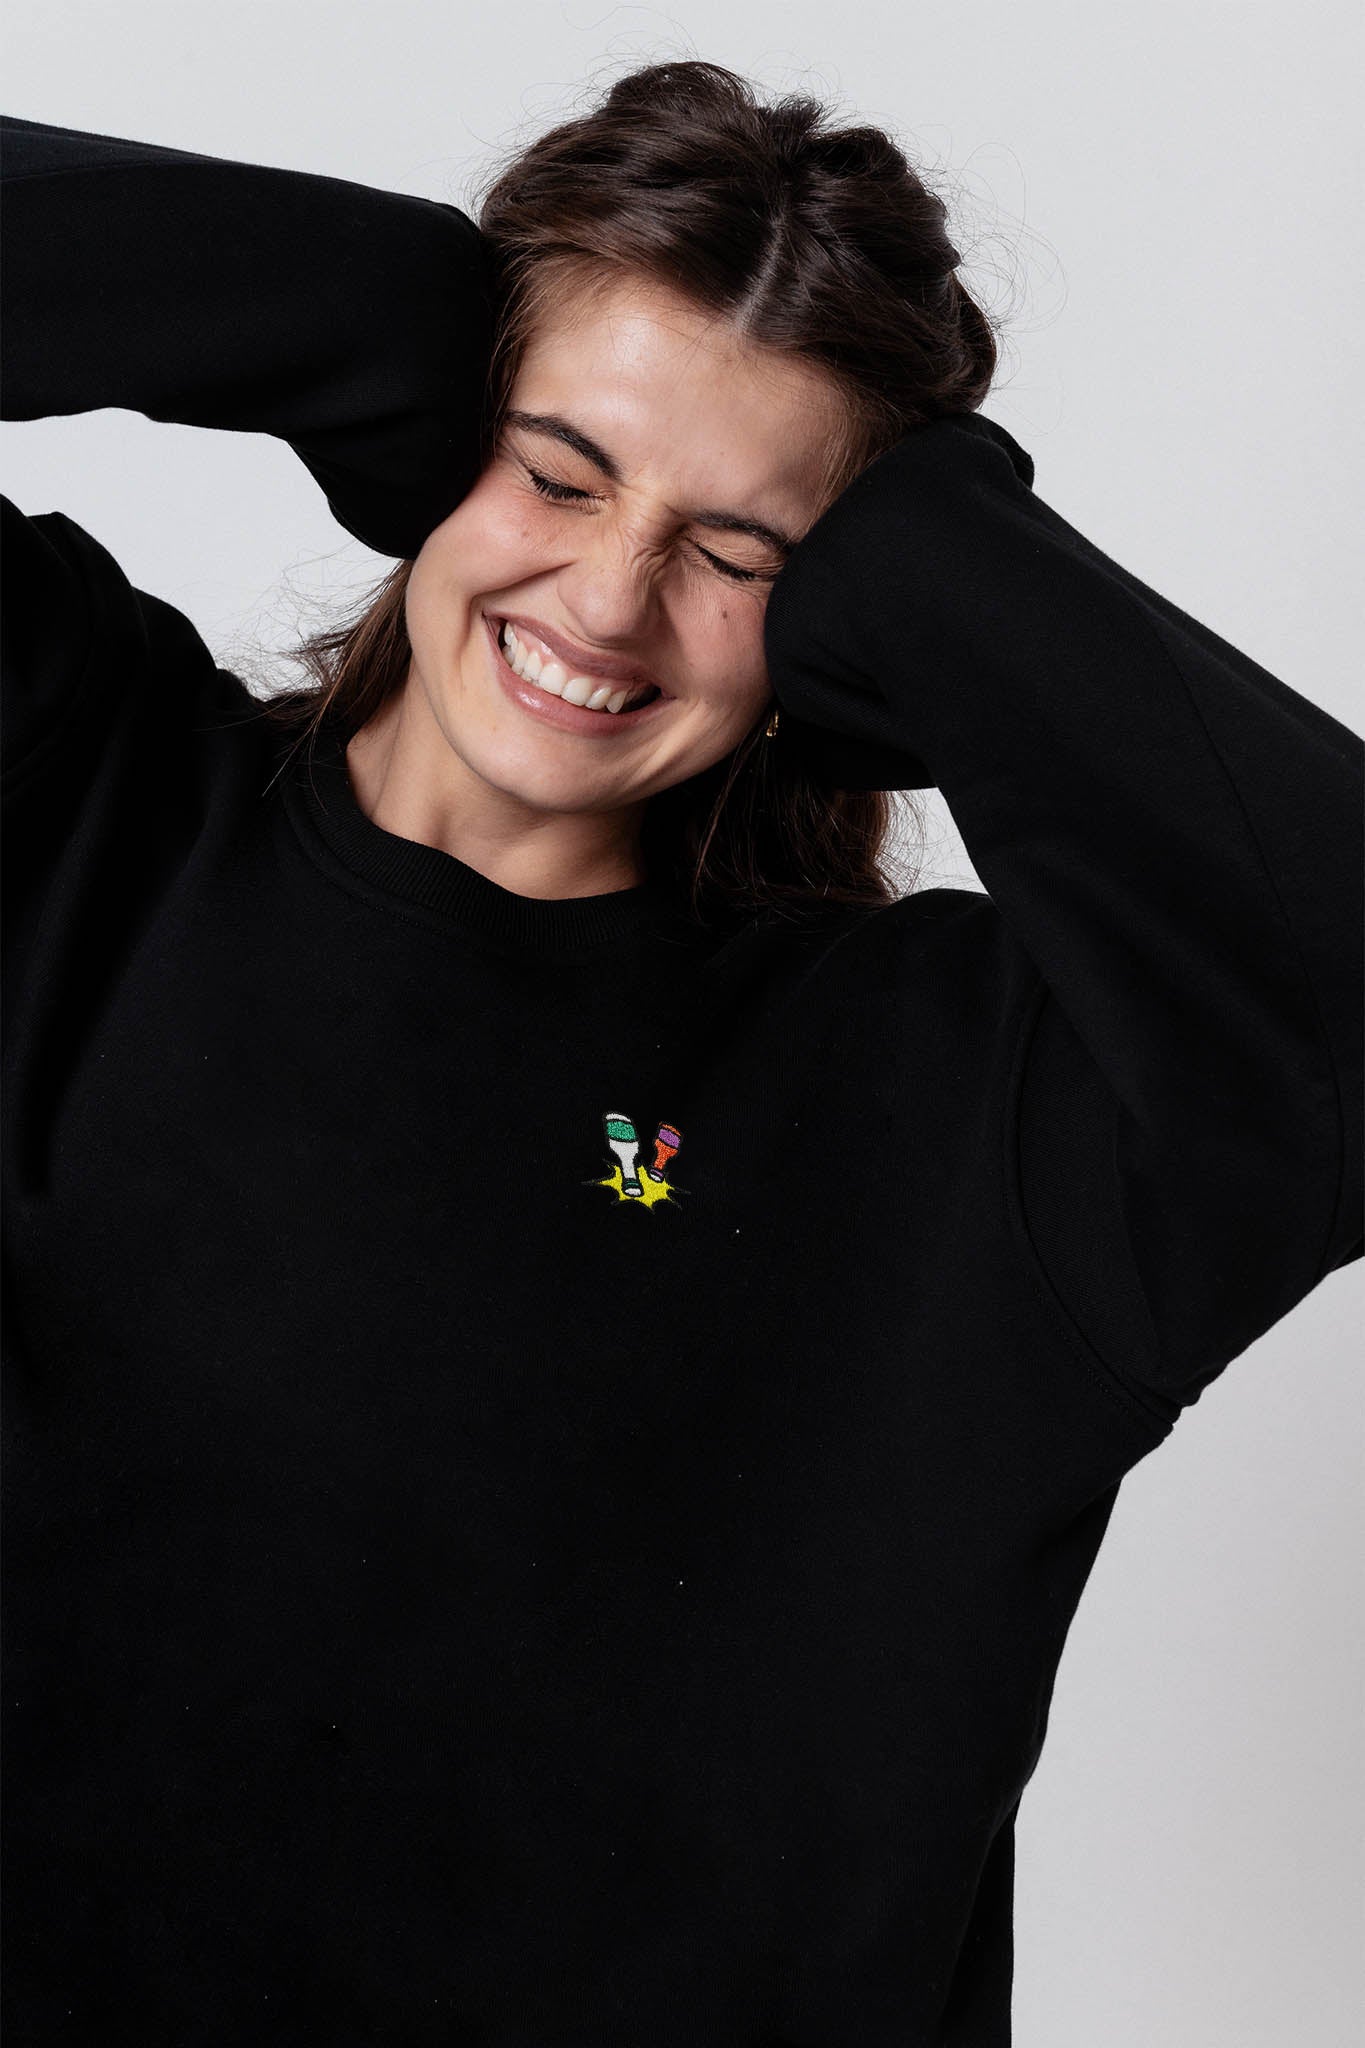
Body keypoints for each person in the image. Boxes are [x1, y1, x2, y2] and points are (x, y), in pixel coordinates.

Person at [2, 58, 1360, 2046]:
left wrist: (917, 552)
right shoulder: (67, 790)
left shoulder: (950, 1102)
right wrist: (352, 300)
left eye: (737, 554)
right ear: (435, 436)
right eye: (557, 474)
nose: (610, 600)